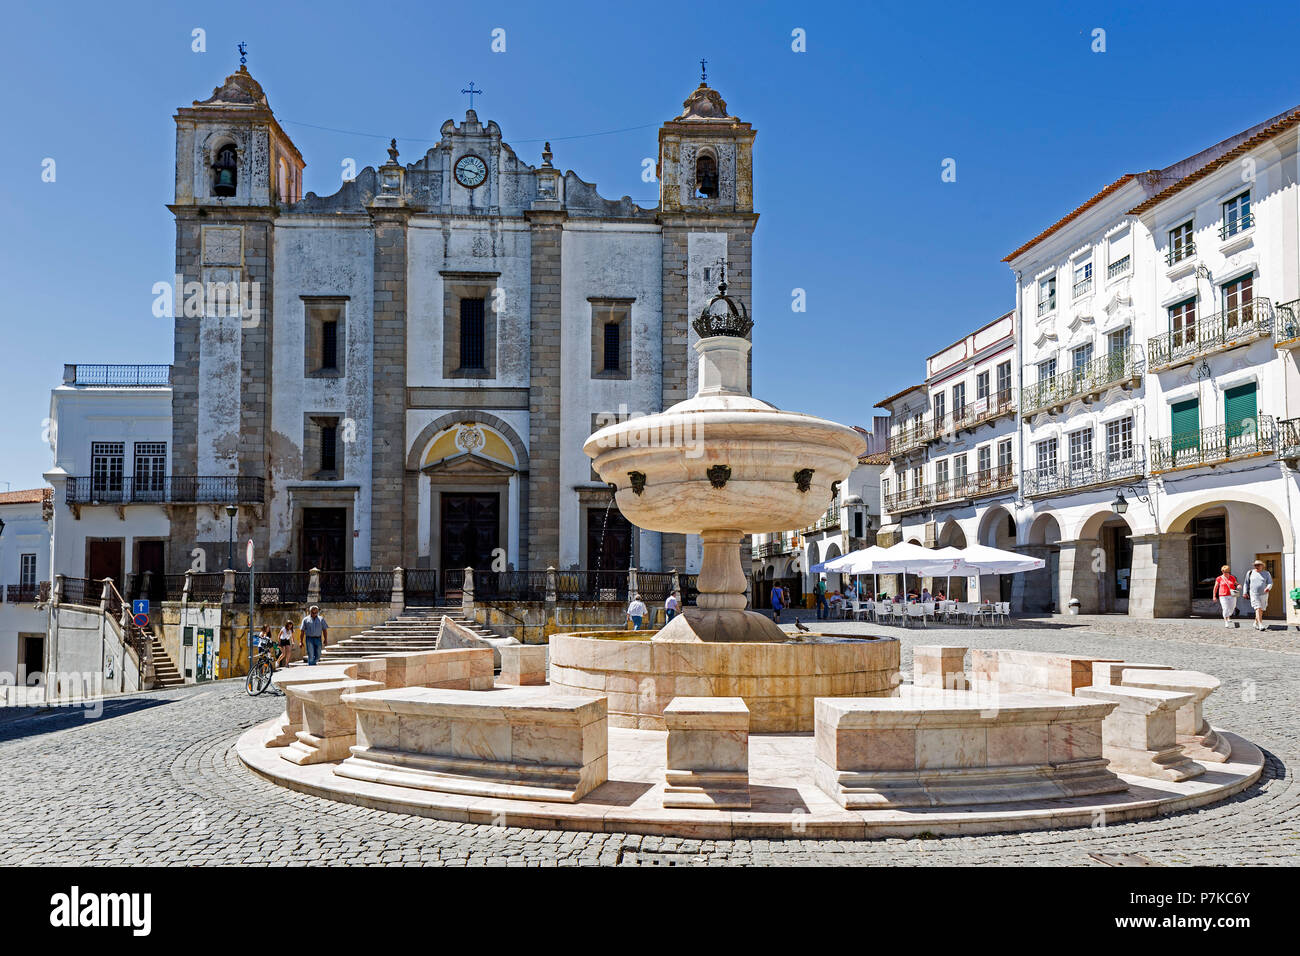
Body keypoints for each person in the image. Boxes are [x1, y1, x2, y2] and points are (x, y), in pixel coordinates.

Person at [1244, 560, 1273, 631]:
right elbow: (1246, 583)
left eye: (1258, 565)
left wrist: (1268, 588)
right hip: (1254, 594)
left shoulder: (1266, 573)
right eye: (1255, 565)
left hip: (1264, 594)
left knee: (1261, 609)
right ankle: (1260, 624)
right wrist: (1245, 592)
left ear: (1262, 566)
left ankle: (1255, 622)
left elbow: (1270, 583)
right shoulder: (1250, 573)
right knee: (1258, 608)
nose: (1257, 566)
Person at [1213, 565, 1239, 629]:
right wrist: (1214, 596)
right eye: (1225, 572)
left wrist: (1239, 586)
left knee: (1232, 607)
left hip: (1232, 595)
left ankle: (1228, 616)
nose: (1226, 573)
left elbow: (1236, 584)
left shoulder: (1232, 577)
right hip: (1223, 595)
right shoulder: (1219, 578)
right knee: (1225, 608)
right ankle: (1226, 621)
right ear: (1222, 571)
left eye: (1228, 572)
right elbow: (1215, 587)